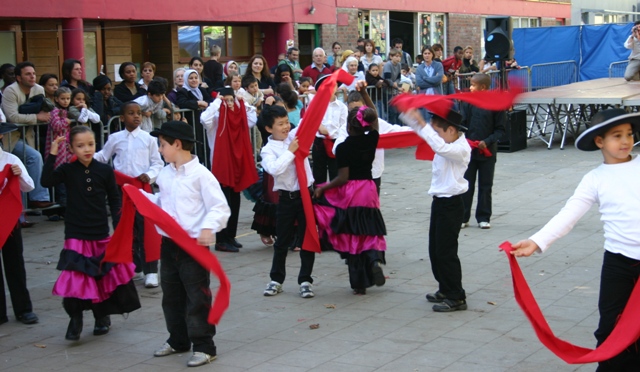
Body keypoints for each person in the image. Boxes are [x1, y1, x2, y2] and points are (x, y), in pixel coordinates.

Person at [510, 108, 640, 370]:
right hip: (620, 265)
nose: (625, 140)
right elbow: (569, 214)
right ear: (600, 141)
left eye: (629, 134)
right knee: (611, 330)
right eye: (617, 135)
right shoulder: (594, 179)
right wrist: (537, 241)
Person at [42, 126, 140, 341]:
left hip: (100, 232)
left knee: (99, 276)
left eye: (90, 144)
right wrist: (53, 152)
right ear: (71, 148)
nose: (86, 149)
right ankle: (75, 317)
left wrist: (119, 226)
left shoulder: (104, 170)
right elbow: (46, 181)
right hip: (75, 233)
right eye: (80, 146)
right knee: (75, 276)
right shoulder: (68, 170)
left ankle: (101, 316)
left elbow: (114, 199)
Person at [146, 121, 230, 367]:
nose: (160, 150)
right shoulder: (165, 172)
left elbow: (219, 207)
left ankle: (204, 346)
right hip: (169, 242)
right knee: (171, 295)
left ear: (177, 144)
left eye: (162, 145)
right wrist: (143, 199)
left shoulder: (201, 175)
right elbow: (162, 200)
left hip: (193, 245)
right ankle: (178, 339)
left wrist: (208, 227)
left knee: (197, 297)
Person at [399, 105, 471, 312]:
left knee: (446, 252)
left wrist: (422, 124)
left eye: (438, 132)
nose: (435, 137)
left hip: (452, 203)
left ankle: (456, 295)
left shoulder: (460, 148)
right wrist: (411, 117)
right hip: (440, 201)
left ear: (451, 130)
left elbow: (439, 147)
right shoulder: (446, 142)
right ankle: (445, 288)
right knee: (435, 249)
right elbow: (430, 138)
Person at [314, 106, 387, 295]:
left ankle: (359, 284)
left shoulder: (343, 148)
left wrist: (323, 188)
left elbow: (342, 178)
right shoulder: (372, 139)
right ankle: (373, 259)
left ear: (348, 126)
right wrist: (364, 93)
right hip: (369, 189)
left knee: (353, 234)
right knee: (369, 230)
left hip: (352, 192)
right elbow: (376, 120)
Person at [94, 101, 164, 288]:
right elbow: (102, 157)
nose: (136, 116)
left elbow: (157, 163)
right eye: (131, 113)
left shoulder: (148, 139)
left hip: (141, 188)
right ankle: (134, 266)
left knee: (146, 229)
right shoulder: (116, 138)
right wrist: (84, 156)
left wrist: (149, 175)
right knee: (124, 228)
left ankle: (151, 271)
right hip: (121, 190)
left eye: (139, 113)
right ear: (122, 118)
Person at [260, 105, 316, 297]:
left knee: (306, 238)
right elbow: (274, 169)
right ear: (269, 128)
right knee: (282, 240)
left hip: (306, 195)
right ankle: (276, 279)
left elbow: (309, 121)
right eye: (280, 124)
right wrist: (291, 152)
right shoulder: (268, 150)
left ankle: (306, 280)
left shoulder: (294, 136)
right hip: (286, 198)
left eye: (286, 122)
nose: (285, 127)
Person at [200, 87, 258, 252]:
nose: (230, 104)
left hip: (236, 164)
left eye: (231, 100)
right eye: (227, 100)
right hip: (221, 167)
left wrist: (243, 103)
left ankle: (230, 236)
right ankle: (221, 239)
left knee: (235, 201)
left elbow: (252, 119)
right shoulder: (217, 119)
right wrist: (217, 102)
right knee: (222, 203)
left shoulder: (239, 114)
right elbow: (204, 119)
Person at [0, 122, 39, 325]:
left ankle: (24, 309)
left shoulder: (10, 159)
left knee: (15, 263)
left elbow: (29, 185)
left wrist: (18, 174)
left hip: (8, 218)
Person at [338, 89, 412, 195]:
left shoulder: (376, 128)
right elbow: (338, 146)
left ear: (365, 107)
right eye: (351, 111)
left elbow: (395, 130)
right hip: (353, 177)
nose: (356, 115)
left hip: (374, 174)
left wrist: (420, 132)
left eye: (359, 110)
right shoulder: (346, 127)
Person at [1, 61, 53, 209]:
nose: (32, 77)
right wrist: (36, 117)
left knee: (23, 168)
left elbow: (46, 113)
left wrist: (37, 116)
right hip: (11, 137)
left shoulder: (39, 90)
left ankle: (24, 210)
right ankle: (39, 197)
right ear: (18, 77)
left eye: (34, 74)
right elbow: (12, 117)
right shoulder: (10, 91)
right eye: (27, 74)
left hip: (29, 135)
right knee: (33, 157)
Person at [460, 74, 505, 230]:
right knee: (467, 184)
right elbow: (462, 125)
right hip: (469, 151)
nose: (470, 87)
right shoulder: (467, 103)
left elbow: (500, 129)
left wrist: (487, 141)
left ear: (483, 88)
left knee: (486, 185)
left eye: (473, 85)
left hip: (488, 151)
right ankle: (463, 216)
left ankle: (483, 217)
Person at [312, 75, 347, 185]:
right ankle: (319, 197)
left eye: (333, 85)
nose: (331, 88)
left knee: (335, 171)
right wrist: (319, 126)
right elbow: (310, 119)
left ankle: (335, 199)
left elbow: (343, 126)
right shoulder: (315, 104)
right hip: (320, 141)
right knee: (318, 172)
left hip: (335, 142)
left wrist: (333, 135)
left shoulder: (342, 107)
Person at [176, 69, 212, 163]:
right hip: (192, 124)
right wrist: (197, 103)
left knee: (206, 149)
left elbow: (210, 100)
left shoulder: (201, 90)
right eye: (191, 78)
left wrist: (206, 103)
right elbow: (182, 102)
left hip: (203, 125)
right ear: (186, 79)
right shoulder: (183, 91)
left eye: (196, 78)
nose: (194, 80)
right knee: (195, 150)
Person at [45, 87, 74, 169]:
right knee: (57, 164)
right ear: (56, 99)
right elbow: (56, 126)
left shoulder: (67, 111)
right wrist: (65, 121)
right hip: (57, 142)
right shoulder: (55, 111)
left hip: (66, 142)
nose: (65, 101)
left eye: (68, 98)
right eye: (63, 98)